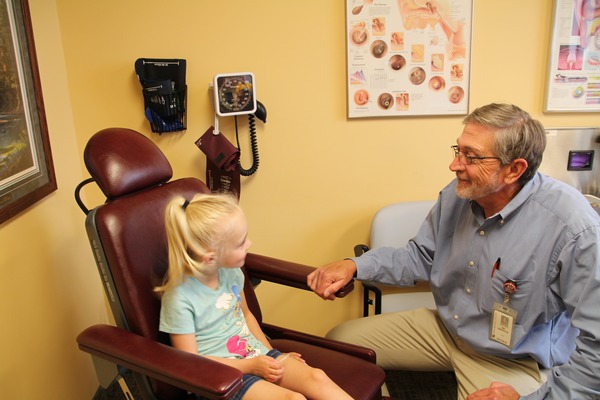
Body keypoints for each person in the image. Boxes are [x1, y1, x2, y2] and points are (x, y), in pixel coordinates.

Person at [307, 103, 600, 399]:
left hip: (510, 358)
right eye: (458, 151)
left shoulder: (574, 228)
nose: (455, 165)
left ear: (514, 170)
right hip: (448, 331)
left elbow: (596, 346)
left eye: (471, 157)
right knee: (340, 345)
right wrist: (355, 265)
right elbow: (420, 257)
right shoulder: (460, 193)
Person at [157, 193, 352, 400]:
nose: (249, 244)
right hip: (219, 377)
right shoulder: (180, 298)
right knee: (293, 399)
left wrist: (272, 355)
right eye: (240, 243)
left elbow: (247, 315)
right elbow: (191, 362)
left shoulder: (230, 272)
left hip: (254, 356)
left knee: (316, 377)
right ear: (210, 257)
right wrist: (249, 366)